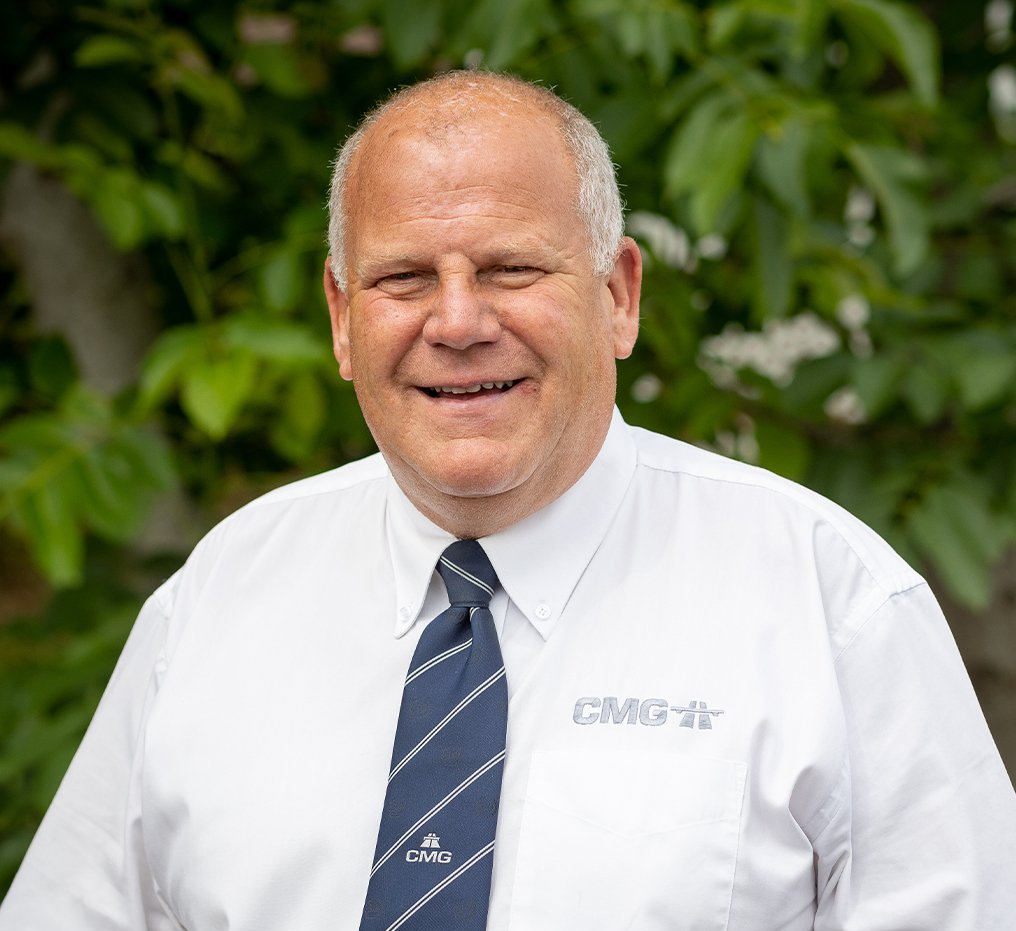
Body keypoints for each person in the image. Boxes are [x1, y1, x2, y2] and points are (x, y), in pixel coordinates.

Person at [1, 70, 1014, 931]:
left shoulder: (828, 602)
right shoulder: (220, 595)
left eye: (509, 267)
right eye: (402, 277)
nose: (455, 320)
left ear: (617, 294)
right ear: (342, 319)